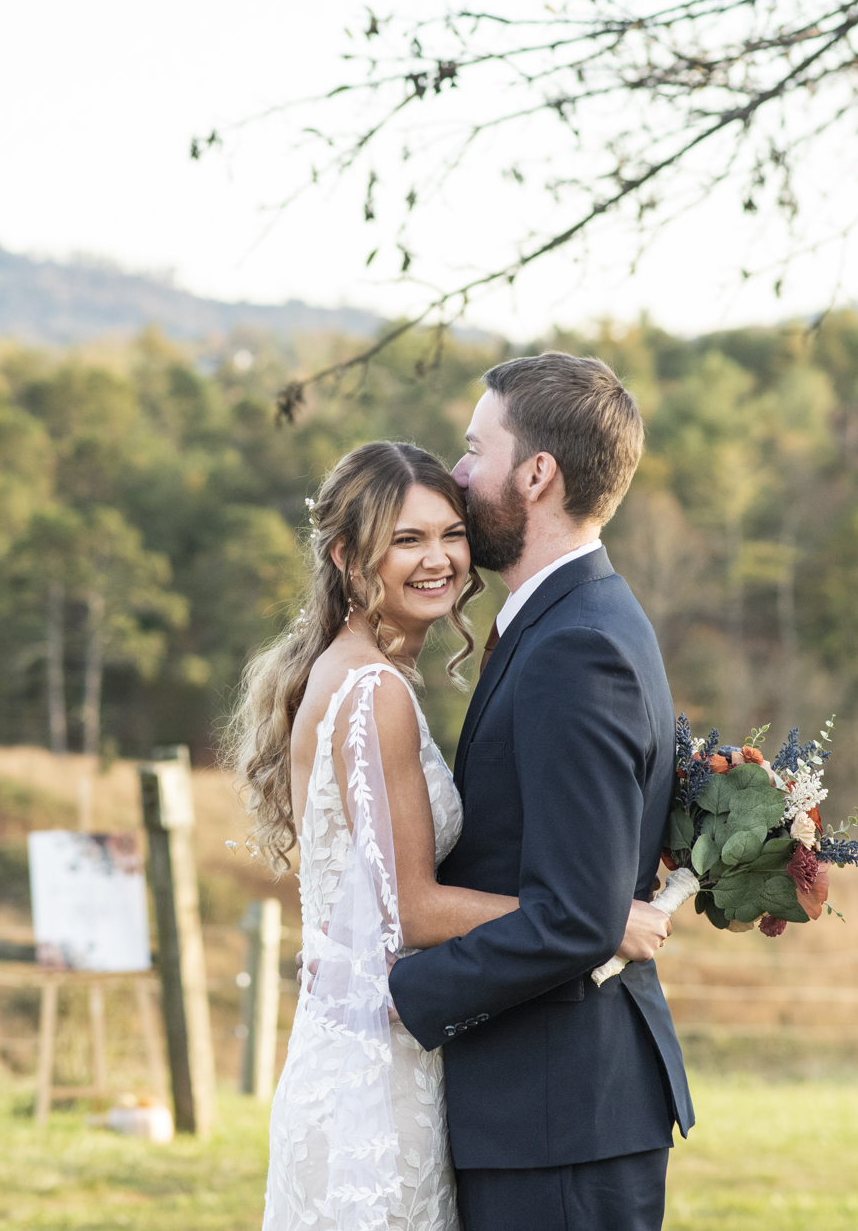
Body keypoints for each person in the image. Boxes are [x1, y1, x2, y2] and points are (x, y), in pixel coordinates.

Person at [389, 352, 692, 1231]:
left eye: (474, 447)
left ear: (536, 474)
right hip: (552, 1108)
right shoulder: (574, 616)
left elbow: (574, 916)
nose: (456, 471)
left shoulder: (574, 646)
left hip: (558, 1115)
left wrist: (408, 994)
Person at [226, 440, 513, 1231]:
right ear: (349, 556)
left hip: (360, 1043)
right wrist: (582, 916)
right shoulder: (374, 690)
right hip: (371, 1081)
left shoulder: (345, 667)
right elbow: (412, 910)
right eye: (407, 539)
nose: (440, 559)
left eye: (451, 534)